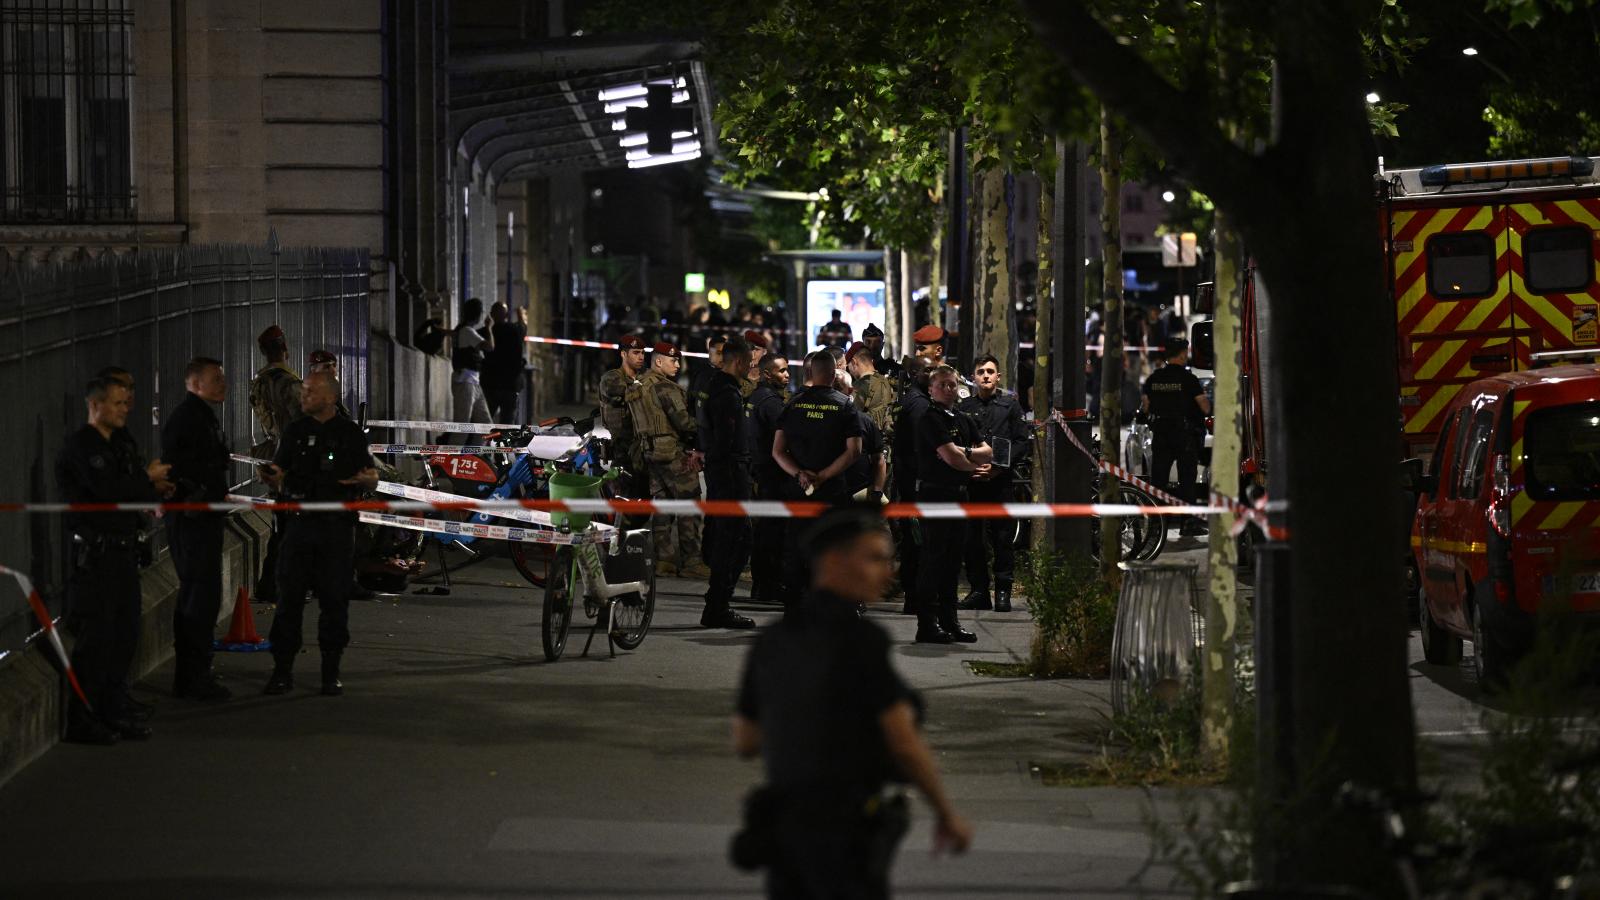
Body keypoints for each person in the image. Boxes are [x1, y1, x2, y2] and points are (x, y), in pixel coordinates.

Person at [733, 509, 972, 898]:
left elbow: (746, 740)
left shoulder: (772, 640)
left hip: (785, 828)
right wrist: (946, 814)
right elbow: (904, 741)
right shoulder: (863, 641)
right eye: (874, 558)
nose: (888, 571)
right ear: (833, 561)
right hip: (846, 830)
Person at [56, 376, 174, 744]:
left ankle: (112, 708)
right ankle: (83, 719)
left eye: (127, 403)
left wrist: (149, 497)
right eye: (118, 403)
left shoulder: (120, 443)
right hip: (98, 556)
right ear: (96, 404)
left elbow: (129, 490)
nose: (125, 409)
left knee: (123, 635)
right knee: (96, 641)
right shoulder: (82, 448)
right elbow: (108, 492)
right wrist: (145, 479)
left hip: (124, 551)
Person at [258, 371, 379, 696]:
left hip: (336, 530)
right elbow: (280, 468)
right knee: (289, 600)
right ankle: (281, 670)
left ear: (329, 397)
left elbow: (369, 475)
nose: (303, 396)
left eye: (310, 391)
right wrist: (273, 476)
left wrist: (369, 481)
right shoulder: (295, 431)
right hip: (298, 526)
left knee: (334, 600)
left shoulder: (349, 434)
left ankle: (330, 671)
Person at [161, 357, 233, 701]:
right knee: (198, 596)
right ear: (195, 383)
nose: (223, 384)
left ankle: (195, 674)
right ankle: (192, 678)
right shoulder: (188, 420)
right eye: (216, 378)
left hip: (203, 519)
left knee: (203, 596)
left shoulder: (202, 418)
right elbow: (179, 469)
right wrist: (200, 494)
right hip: (192, 521)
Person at [912, 365, 992, 644]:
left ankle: (950, 621)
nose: (948, 389)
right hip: (936, 495)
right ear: (931, 389)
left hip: (959, 495)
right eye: (942, 385)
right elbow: (950, 456)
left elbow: (987, 451)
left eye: (952, 384)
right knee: (933, 560)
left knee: (953, 561)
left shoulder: (961, 418)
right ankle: (927, 624)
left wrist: (966, 453)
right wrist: (971, 465)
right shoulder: (929, 419)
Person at [958, 355, 1031, 613]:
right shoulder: (964, 407)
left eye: (990, 371)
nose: (986, 375)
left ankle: (1003, 592)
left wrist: (998, 469)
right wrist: (971, 467)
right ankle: (979, 591)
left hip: (1001, 483)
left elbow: (1022, 442)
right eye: (981, 372)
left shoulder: (1010, 406)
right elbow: (957, 443)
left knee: (1002, 539)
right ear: (974, 377)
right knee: (972, 540)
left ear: (998, 376)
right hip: (973, 483)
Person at [629, 341, 706, 577]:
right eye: (673, 360)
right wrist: (705, 430)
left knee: (662, 505)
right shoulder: (665, 388)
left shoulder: (639, 384)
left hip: (649, 452)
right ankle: (692, 562)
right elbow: (684, 422)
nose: (678, 365)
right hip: (672, 451)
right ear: (659, 361)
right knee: (688, 503)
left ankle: (664, 560)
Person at [697, 336, 758, 629]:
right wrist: (731, 474)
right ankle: (718, 605)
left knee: (732, 539)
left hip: (724, 474)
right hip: (730, 476)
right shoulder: (727, 394)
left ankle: (718, 603)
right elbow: (725, 439)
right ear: (737, 361)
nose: (750, 367)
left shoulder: (716, 387)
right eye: (748, 362)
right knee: (735, 541)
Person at [248, 326, 303, 608]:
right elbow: (301, 421)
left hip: (273, 450)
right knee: (291, 525)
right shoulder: (288, 382)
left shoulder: (259, 381)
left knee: (284, 522)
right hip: (292, 457)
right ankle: (273, 584)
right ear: (285, 348)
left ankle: (273, 584)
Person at [1140, 337, 1211, 537]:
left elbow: (1145, 407)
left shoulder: (1154, 379)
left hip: (1161, 434)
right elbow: (1204, 406)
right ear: (1181, 354)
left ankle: (1157, 524)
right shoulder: (1189, 379)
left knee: (1159, 480)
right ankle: (1187, 524)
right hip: (1184, 435)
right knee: (1186, 480)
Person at [746, 354, 791, 605]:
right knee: (773, 532)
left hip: (760, 470)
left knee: (765, 530)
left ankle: (761, 585)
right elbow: (785, 439)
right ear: (766, 374)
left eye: (787, 370)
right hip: (772, 473)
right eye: (781, 371)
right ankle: (770, 586)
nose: (787, 375)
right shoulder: (772, 403)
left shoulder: (755, 397)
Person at [890, 356, 931, 615]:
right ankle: (915, 596)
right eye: (928, 370)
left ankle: (914, 595)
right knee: (918, 542)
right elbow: (920, 447)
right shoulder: (918, 405)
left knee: (913, 541)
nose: (933, 373)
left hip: (910, 483)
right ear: (915, 374)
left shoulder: (913, 401)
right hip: (916, 485)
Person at [482, 301, 528, 423]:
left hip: (490, 384)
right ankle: (505, 441)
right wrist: (520, 314)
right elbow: (523, 326)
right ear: (507, 316)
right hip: (510, 385)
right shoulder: (514, 330)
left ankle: (478, 441)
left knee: (484, 421)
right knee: (507, 423)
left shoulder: (486, 332)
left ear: (491, 315)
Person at [451, 297, 494, 429]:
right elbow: (490, 346)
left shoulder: (462, 330)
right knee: (462, 427)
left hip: (473, 381)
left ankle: (476, 449)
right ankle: (453, 450)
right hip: (466, 381)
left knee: (486, 426)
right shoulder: (467, 331)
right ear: (477, 314)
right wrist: (489, 328)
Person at [911, 324, 972, 399]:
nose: (917, 354)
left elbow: (965, 406)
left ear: (938, 351)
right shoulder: (919, 374)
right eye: (916, 349)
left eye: (922, 349)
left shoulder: (951, 377)